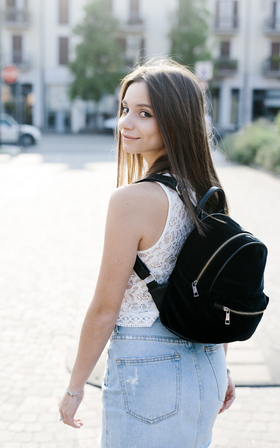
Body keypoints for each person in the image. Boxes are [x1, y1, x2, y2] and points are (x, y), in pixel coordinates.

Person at [58, 58, 236, 447]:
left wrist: (74, 389)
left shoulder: (132, 200)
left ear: (175, 121)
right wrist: (222, 368)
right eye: (125, 109)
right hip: (206, 364)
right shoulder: (206, 193)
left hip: (149, 368)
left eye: (144, 114)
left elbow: (106, 309)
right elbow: (214, 294)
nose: (126, 123)